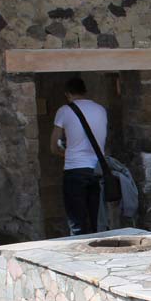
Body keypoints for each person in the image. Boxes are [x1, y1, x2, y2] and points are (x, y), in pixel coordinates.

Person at [50, 77, 108, 236]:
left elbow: (53, 146)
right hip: (97, 169)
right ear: (85, 91)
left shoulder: (64, 110)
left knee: (77, 223)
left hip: (74, 169)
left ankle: (80, 256)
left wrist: (66, 152)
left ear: (67, 94)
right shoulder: (100, 109)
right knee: (96, 220)